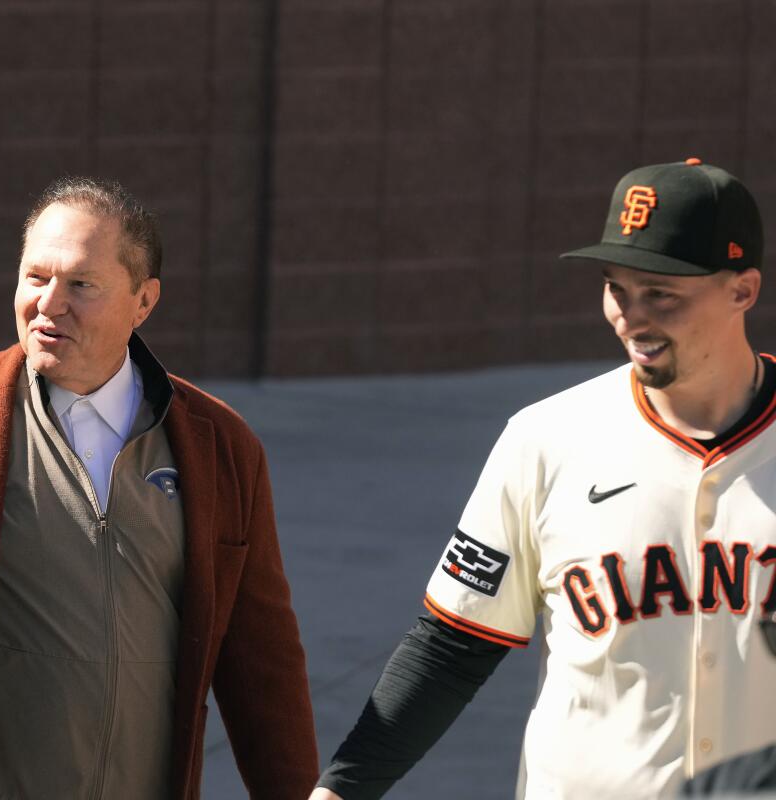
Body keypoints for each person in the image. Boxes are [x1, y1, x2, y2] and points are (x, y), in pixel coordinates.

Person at [312, 158, 776, 800]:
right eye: (617, 287)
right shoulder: (547, 438)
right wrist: (340, 790)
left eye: (661, 293)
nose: (630, 317)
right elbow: (453, 644)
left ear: (742, 290)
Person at [0, 177, 318, 800]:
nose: (48, 303)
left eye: (80, 285)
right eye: (35, 277)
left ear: (143, 301)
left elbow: (264, 665)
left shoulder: (219, 446)